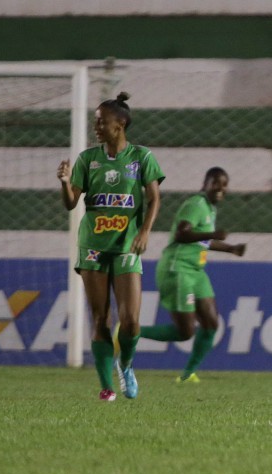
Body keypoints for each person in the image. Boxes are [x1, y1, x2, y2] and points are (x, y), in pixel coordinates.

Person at [58, 92, 164, 402]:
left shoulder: (141, 157)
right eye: (95, 122)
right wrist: (65, 182)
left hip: (127, 245)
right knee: (100, 317)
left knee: (130, 320)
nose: (97, 127)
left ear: (120, 124)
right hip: (93, 245)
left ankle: (126, 364)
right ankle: (106, 386)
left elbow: (155, 198)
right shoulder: (88, 159)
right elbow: (70, 203)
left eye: (102, 122)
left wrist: (144, 231)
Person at [140, 167, 246, 383]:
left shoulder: (210, 208)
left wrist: (230, 249)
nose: (220, 188)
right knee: (185, 332)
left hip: (196, 271)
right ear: (205, 183)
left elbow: (201, 240)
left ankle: (188, 375)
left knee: (211, 324)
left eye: (224, 184)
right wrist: (212, 233)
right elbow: (182, 233)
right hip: (177, 269)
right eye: (216, 182)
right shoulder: (196, 204)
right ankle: (130, 332)